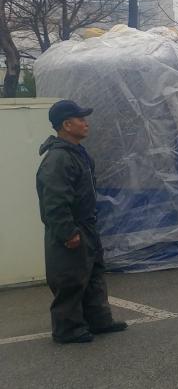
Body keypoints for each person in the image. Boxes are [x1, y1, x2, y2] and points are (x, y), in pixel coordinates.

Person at [36, 99, 128, 344]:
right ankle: (67, 329)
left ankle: (98, 320)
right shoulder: (59, 159)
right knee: (70, 277)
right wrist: (68, 232)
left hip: (86, 225)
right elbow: (55, 201)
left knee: (93, 272)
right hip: (72, 227)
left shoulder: (77, 153)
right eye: (81, 119)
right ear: (67, 125)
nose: (86, 123)